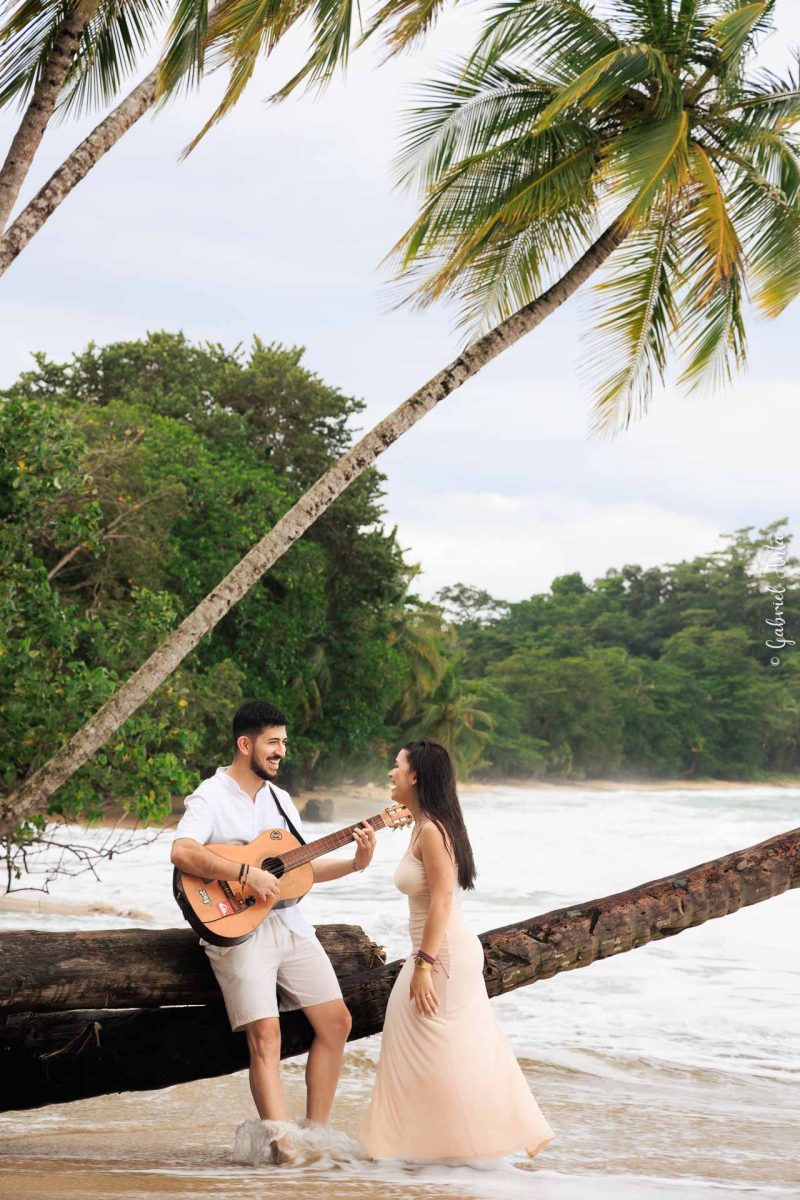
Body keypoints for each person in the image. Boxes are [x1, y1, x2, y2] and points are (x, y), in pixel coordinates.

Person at [170, 700, 376, 1146]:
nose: (282, 750)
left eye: (284, 742)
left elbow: (298, 871)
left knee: (337, 1021)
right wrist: (245, 872)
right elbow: (182, 852)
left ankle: (316, 1136)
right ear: (245, 744)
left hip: (290, 924)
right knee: (267, 1034)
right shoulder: (211, 794)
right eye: (273, 742)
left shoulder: (280, 801)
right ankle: (283, 1147)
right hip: (236, 927)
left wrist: (355, 864)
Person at [358, 740, 554, 1161]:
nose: (390, 773)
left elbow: (443, 900)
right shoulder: (425, 823)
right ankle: (431, 1150)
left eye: (397, 766)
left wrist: (425, 965)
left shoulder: (432, 830)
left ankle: (425, 1151)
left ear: (415, 776)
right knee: (449, 1046)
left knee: (433, 1046)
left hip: (440, 955)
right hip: (437, 952)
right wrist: (392, 818)